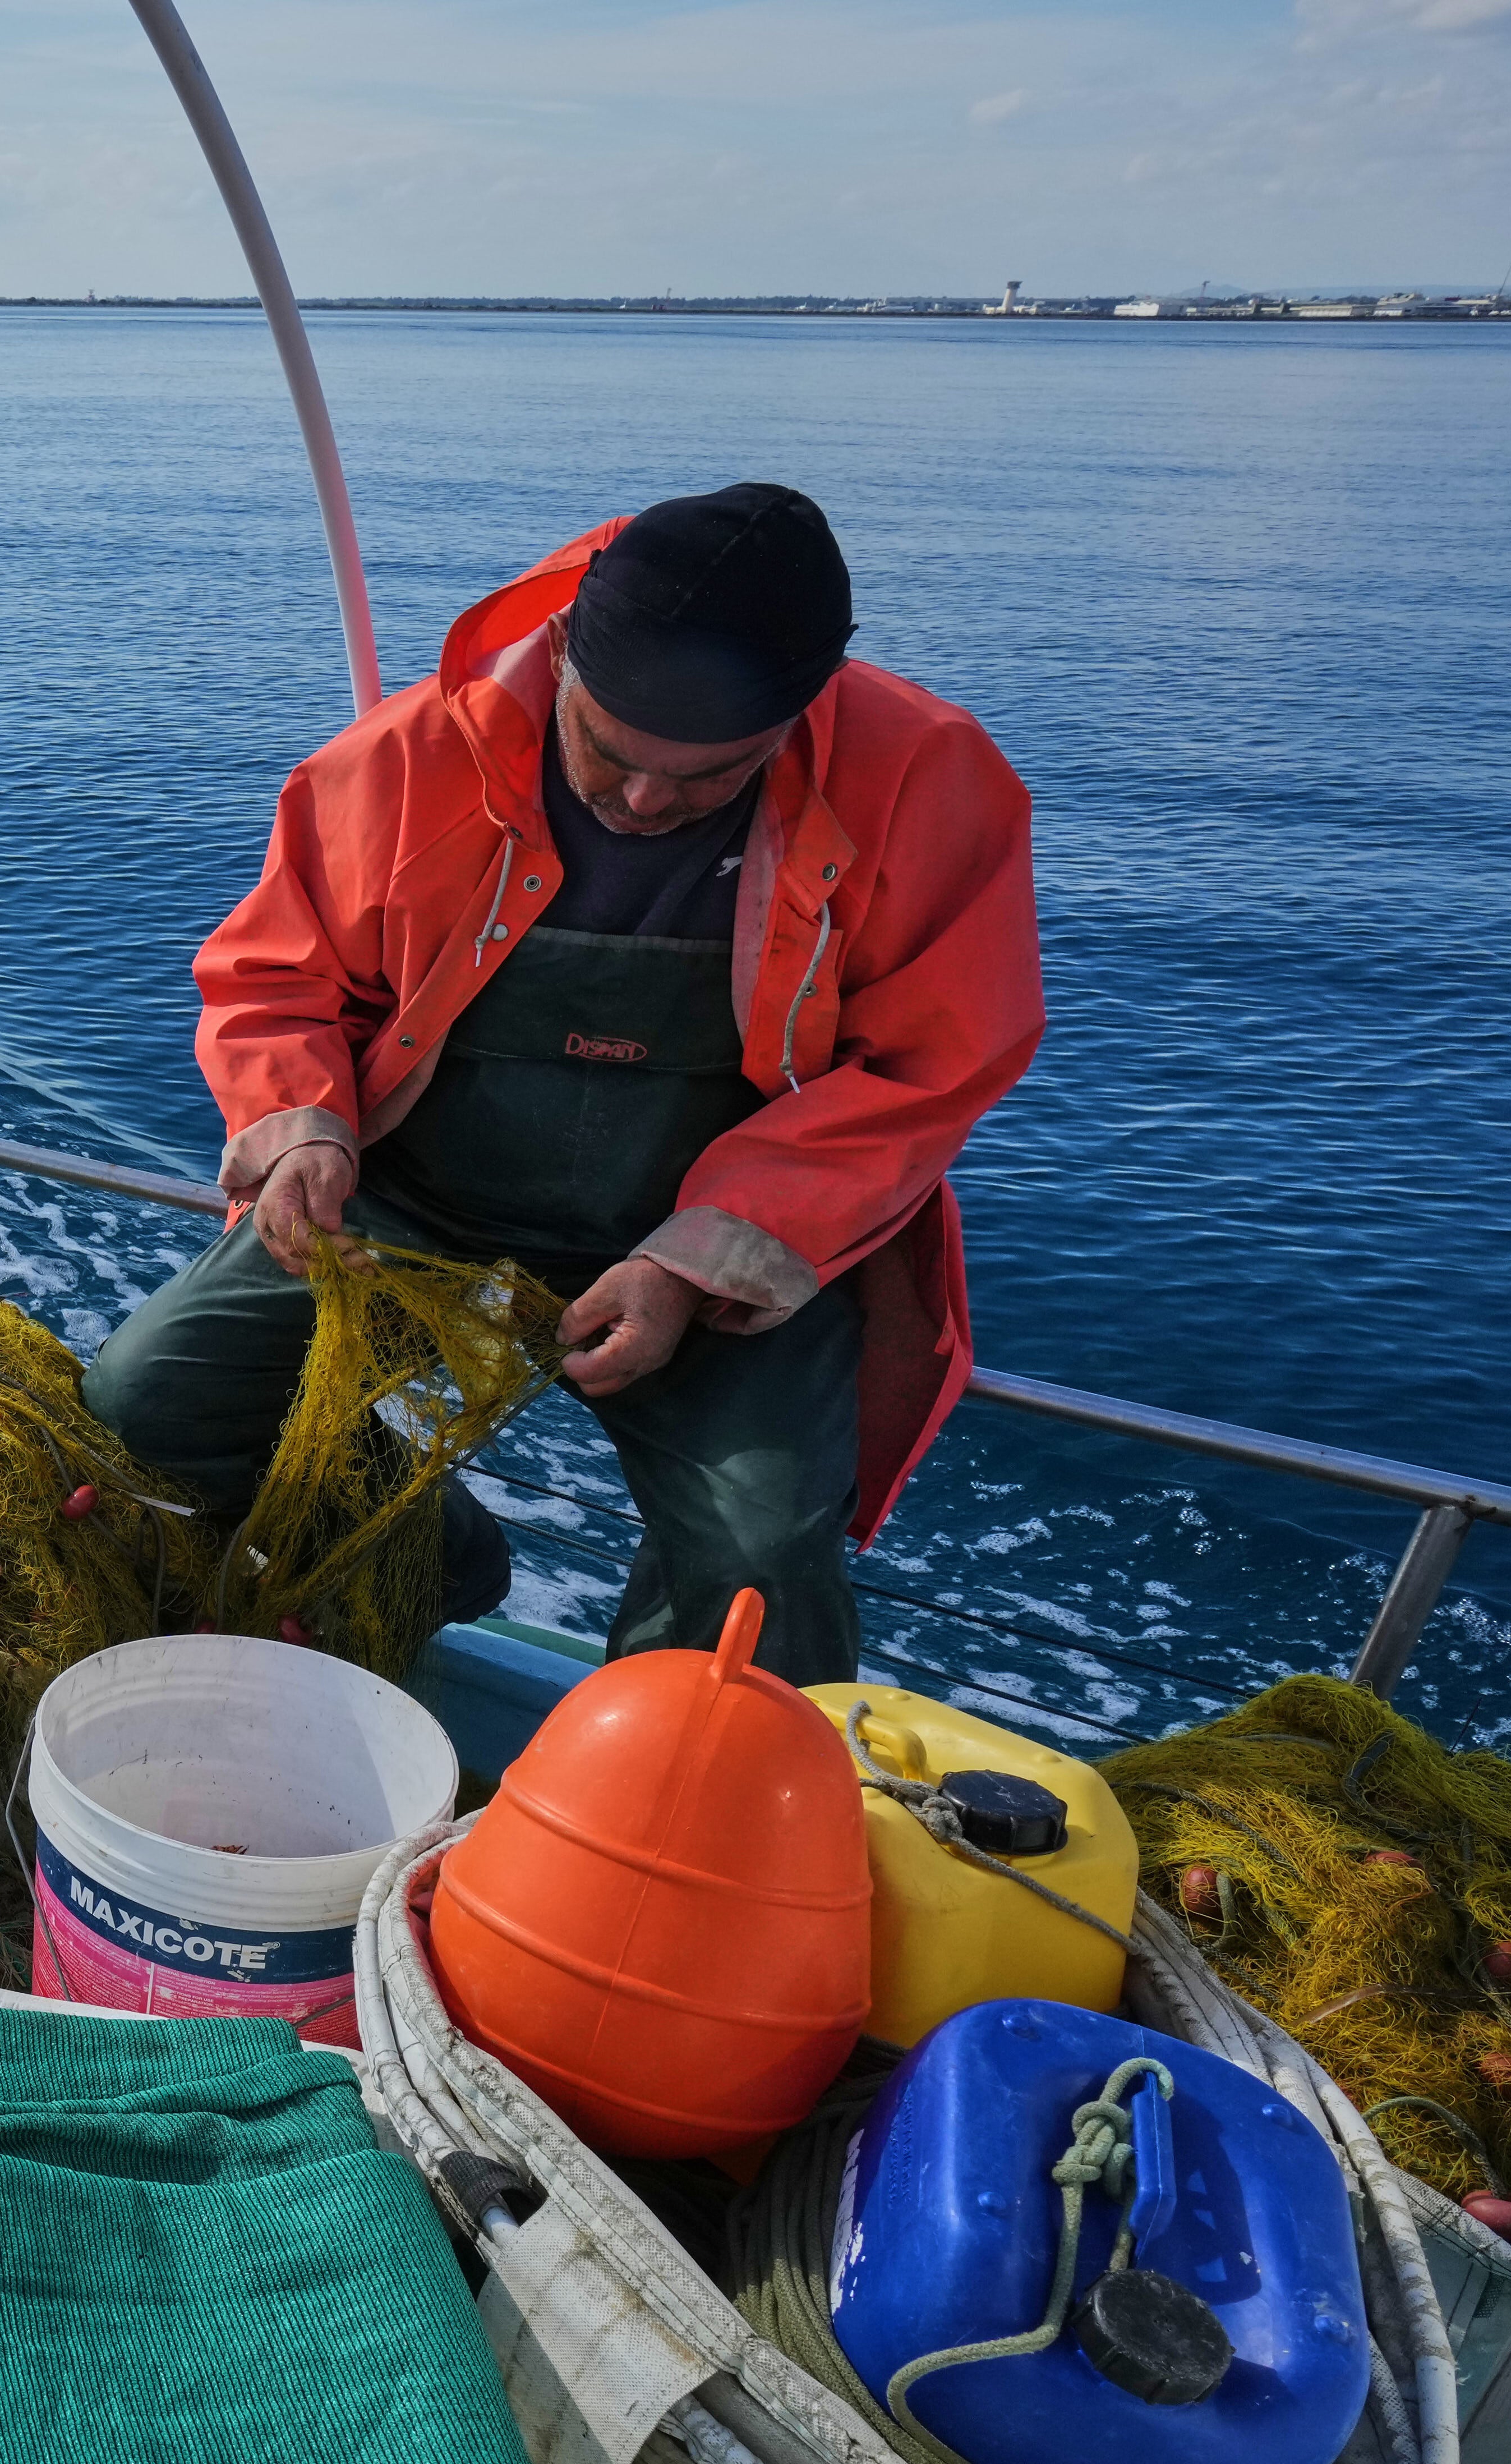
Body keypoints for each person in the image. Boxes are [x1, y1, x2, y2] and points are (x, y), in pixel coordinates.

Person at [81, 484, 1043, 1685]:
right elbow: (275, 975)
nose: (645, 802)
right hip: (416, 1197)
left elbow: (934, 1064)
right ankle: (426, 1559)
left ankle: (650, 1803)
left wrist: (697, 1260)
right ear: (561, 657)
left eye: (708, 779)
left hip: (716, 1237)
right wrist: (300, 1127)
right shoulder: (411, 752)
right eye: (607, 750)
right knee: (148, 1401)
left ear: (805, 711)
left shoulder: (930, 782)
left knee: (755, 1555)